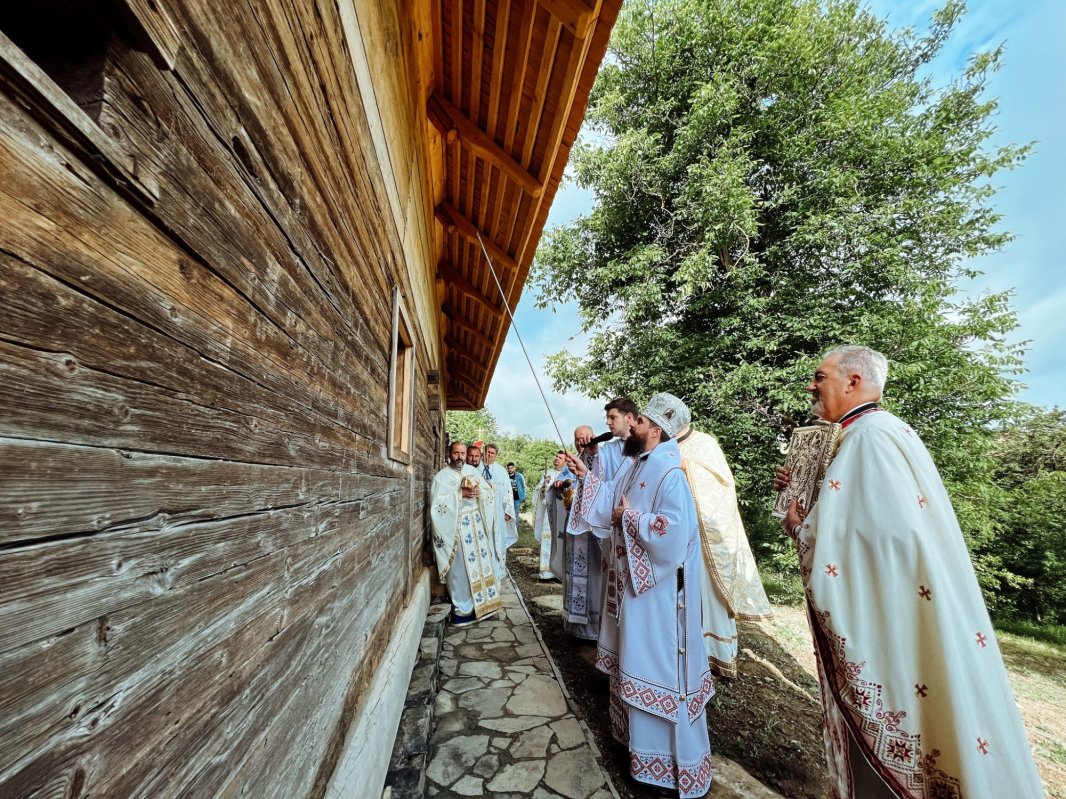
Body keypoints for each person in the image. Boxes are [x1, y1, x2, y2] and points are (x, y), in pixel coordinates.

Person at [775, 345, 1044, 798]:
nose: (811, 385)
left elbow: (880, 543)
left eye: (820, 376)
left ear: (852, 381)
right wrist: (801, 489)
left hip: (889, 627)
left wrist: (801, 528)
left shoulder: (870, 439)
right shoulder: (872, 433)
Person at [574, 393, 713, 798]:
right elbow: (605, 503)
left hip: (661, 598)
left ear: (656, 430)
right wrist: (585, 475)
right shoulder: (636, 465)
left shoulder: (670, 472)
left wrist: (629, 518)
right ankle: (640, 752)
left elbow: (673, 532)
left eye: (638, 423)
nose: (630, 427)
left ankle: (672, 767)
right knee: (634, 663)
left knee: (659, 671)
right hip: (634, 593)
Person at [677, 422, 773, 677]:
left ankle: (715, 654)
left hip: (708, 534)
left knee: (710, 592)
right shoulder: (668, 445)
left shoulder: (704, 442)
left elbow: (722, 484)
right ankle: (688, 648)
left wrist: (686, 466)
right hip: (683, 530)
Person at [429, 441, 502, 626]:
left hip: (477, 526)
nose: (460, 457)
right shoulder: (441, 477)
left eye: (462, 453)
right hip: (457, 529)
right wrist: (458, 494)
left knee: (481, 564)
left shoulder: (473, 471)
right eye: (456, 453)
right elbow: (437, 506)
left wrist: (480, 492)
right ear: (450, 454)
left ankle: (485, 603)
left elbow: (488, 493)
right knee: (460, 570)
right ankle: (463, 609)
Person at [557, 425, 604, 641]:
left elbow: (601, 483)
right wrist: (558, 487)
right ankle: (574, 626)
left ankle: (593, 628)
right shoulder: (571, 461)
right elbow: (563, 485)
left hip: (592, 530)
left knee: (593, 577)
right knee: (573, 574)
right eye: (577, 439)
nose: (580, 442)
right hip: (574, 530)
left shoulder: (600, 459)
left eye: (584, 438)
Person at [533, 452, 565, 580]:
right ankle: (546, 572)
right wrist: (541, 491)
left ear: (565, 461)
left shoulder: (568, 474)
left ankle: (559, 573)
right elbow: (538, 491)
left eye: (560, 458)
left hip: (562, 513)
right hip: (549, 512)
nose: (556, 459)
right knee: (548, 539)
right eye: (556, 457)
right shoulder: (548, 474)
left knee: (560, 541)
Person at [484, 443, 518, 553]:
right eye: (487, 452)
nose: (489, 455)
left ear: (496, 455)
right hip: (482, 509)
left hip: (498, 510)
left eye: (492, 453)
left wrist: (508, 511)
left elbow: (508, 492)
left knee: (497, 535)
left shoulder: (502, 471)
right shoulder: (477, 467)